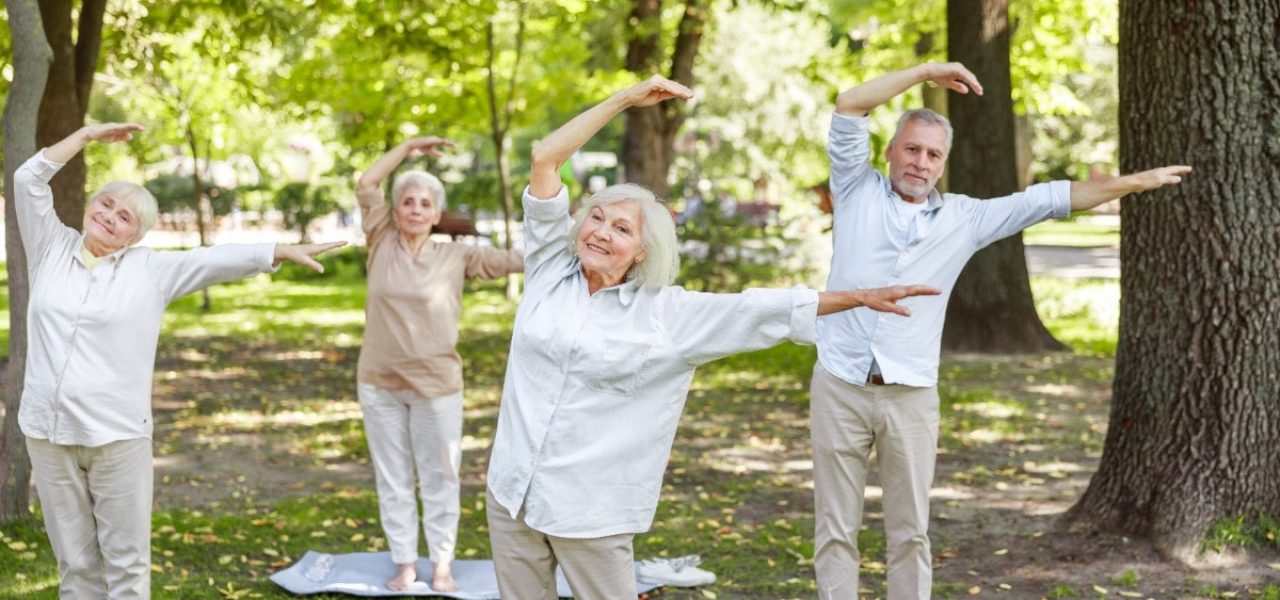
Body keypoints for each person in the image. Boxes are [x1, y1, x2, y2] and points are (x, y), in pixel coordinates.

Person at [483, 75, 941, 600]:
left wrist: (858, 297)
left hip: (590, 510)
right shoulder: (548, 268)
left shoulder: (668, 316)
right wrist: (626, 99)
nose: (602, 232)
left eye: (622, 229)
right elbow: (545, 158)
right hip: (511, 491)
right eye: (598, 218)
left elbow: (758, 309)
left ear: (642, 253)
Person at [812, 62, 1192, 599]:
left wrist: (1134, 183)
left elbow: (1047, 199)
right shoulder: (855, 189)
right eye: (912, 149)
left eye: (933, 155)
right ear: (892, 150)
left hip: (911, 396)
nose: (920, 163)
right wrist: (924, 73)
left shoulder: (963, 219)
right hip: (839, 385)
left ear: (944, 165)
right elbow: (850, 102)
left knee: (910, 533)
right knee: (834, 530)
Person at [15, 122, 343, 599]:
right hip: (47, 433)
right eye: (106, 204)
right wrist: (85, 136)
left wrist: (279, 250)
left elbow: (213, 259)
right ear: (90, 206)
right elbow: (28, 179)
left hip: (116, 437)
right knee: (76, 566)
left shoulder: (150, 270)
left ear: (135, 236)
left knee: (126, 568)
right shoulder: (50, 246)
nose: (110, 216)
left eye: (124, 217)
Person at [354, 137, 523, 592]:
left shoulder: (455, 255)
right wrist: (408, 149)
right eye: (406, 201)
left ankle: (442, 563)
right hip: (379, 382)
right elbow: (367, 181)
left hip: (437, 384)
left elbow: (510, 261)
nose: (414, 208)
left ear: (435, 214)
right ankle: (405, 562)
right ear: (394, 210)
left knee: (440, 477)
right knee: (393, 478)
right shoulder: (380, 240)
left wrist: (574, 245)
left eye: (424, 203)